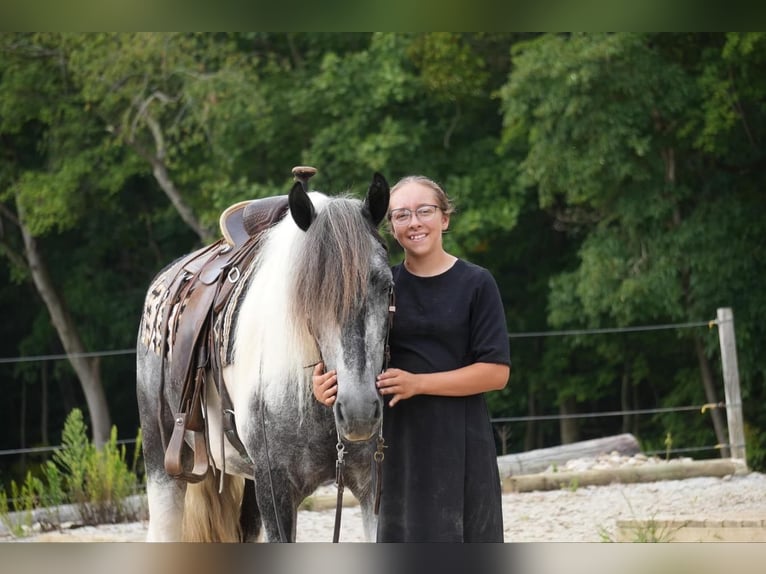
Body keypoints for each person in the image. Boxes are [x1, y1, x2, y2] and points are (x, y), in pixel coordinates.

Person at [312, 175, 510, 542]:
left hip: (460, 437)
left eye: (424, 211)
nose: (414, 222)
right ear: (391, 227)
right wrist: (324, 383)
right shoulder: (379, 286)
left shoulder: (477, 283)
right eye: (402, 215)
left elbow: (496, 373)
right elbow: (352, 352)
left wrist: (419, 384)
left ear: (444, 219)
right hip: (396, 441)